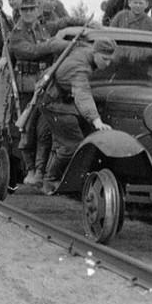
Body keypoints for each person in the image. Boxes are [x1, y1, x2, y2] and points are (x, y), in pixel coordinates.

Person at [6, 0, 72, 186]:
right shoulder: (16, 33)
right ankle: (30, 170)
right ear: (20, 12)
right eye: (24, 10)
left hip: (44, 86)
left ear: (38, 10)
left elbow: (65, 21)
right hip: (27, 86)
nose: (28, 13)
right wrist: (51, 45)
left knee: (44, 131)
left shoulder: (45, 28)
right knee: (27, 129)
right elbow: (28, 52)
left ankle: (40, 171)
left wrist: (87, 22)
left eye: (32, 9)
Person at [41, 38, 117, 195]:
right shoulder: (79, 68)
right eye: (105, 59)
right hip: (55, 104)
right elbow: (82, 93)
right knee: (73, 145)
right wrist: (96, 120)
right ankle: (50, 180)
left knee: (79, 133)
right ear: (95, 53)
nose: (107, 64)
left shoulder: (87, 52)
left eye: (110, 60)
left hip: (63, 102)